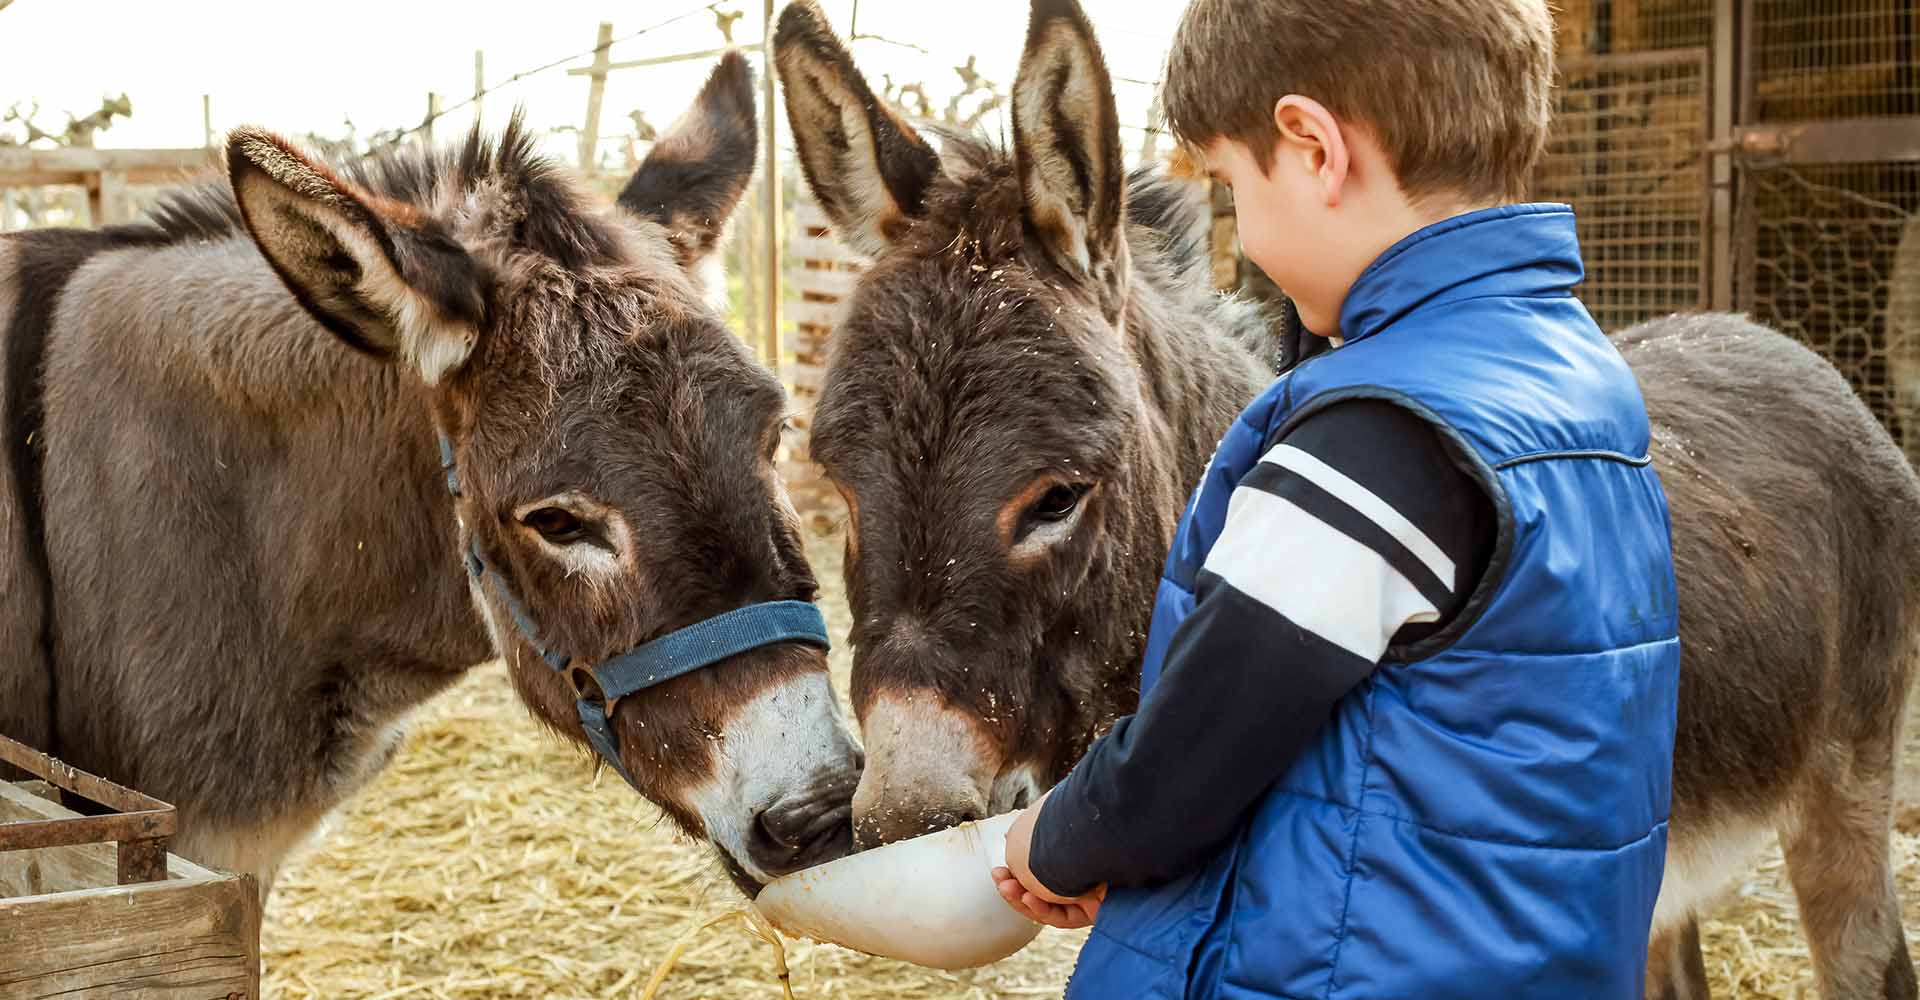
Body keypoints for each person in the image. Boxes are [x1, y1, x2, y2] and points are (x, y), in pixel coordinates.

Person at [990, 1, 1683, 997]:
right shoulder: (1578, 377)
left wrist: (1053, 839)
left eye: (1232, 184)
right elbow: (1425, 759)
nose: (1247, 238)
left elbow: (1188, 756)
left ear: (1313, 147)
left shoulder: (1376, 441)